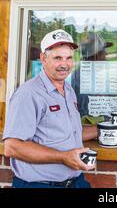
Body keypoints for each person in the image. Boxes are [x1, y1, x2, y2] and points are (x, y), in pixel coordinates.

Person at [3, 29, 98, 188]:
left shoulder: (68, 90)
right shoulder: (28, 93)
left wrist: (105, 129)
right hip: (39, 185)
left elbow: (70, 132)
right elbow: (12, 147)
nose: (64, 64)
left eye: (68, 58)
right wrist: (63, 157)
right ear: (43, 58)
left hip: (75, 182)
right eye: (58, 58)